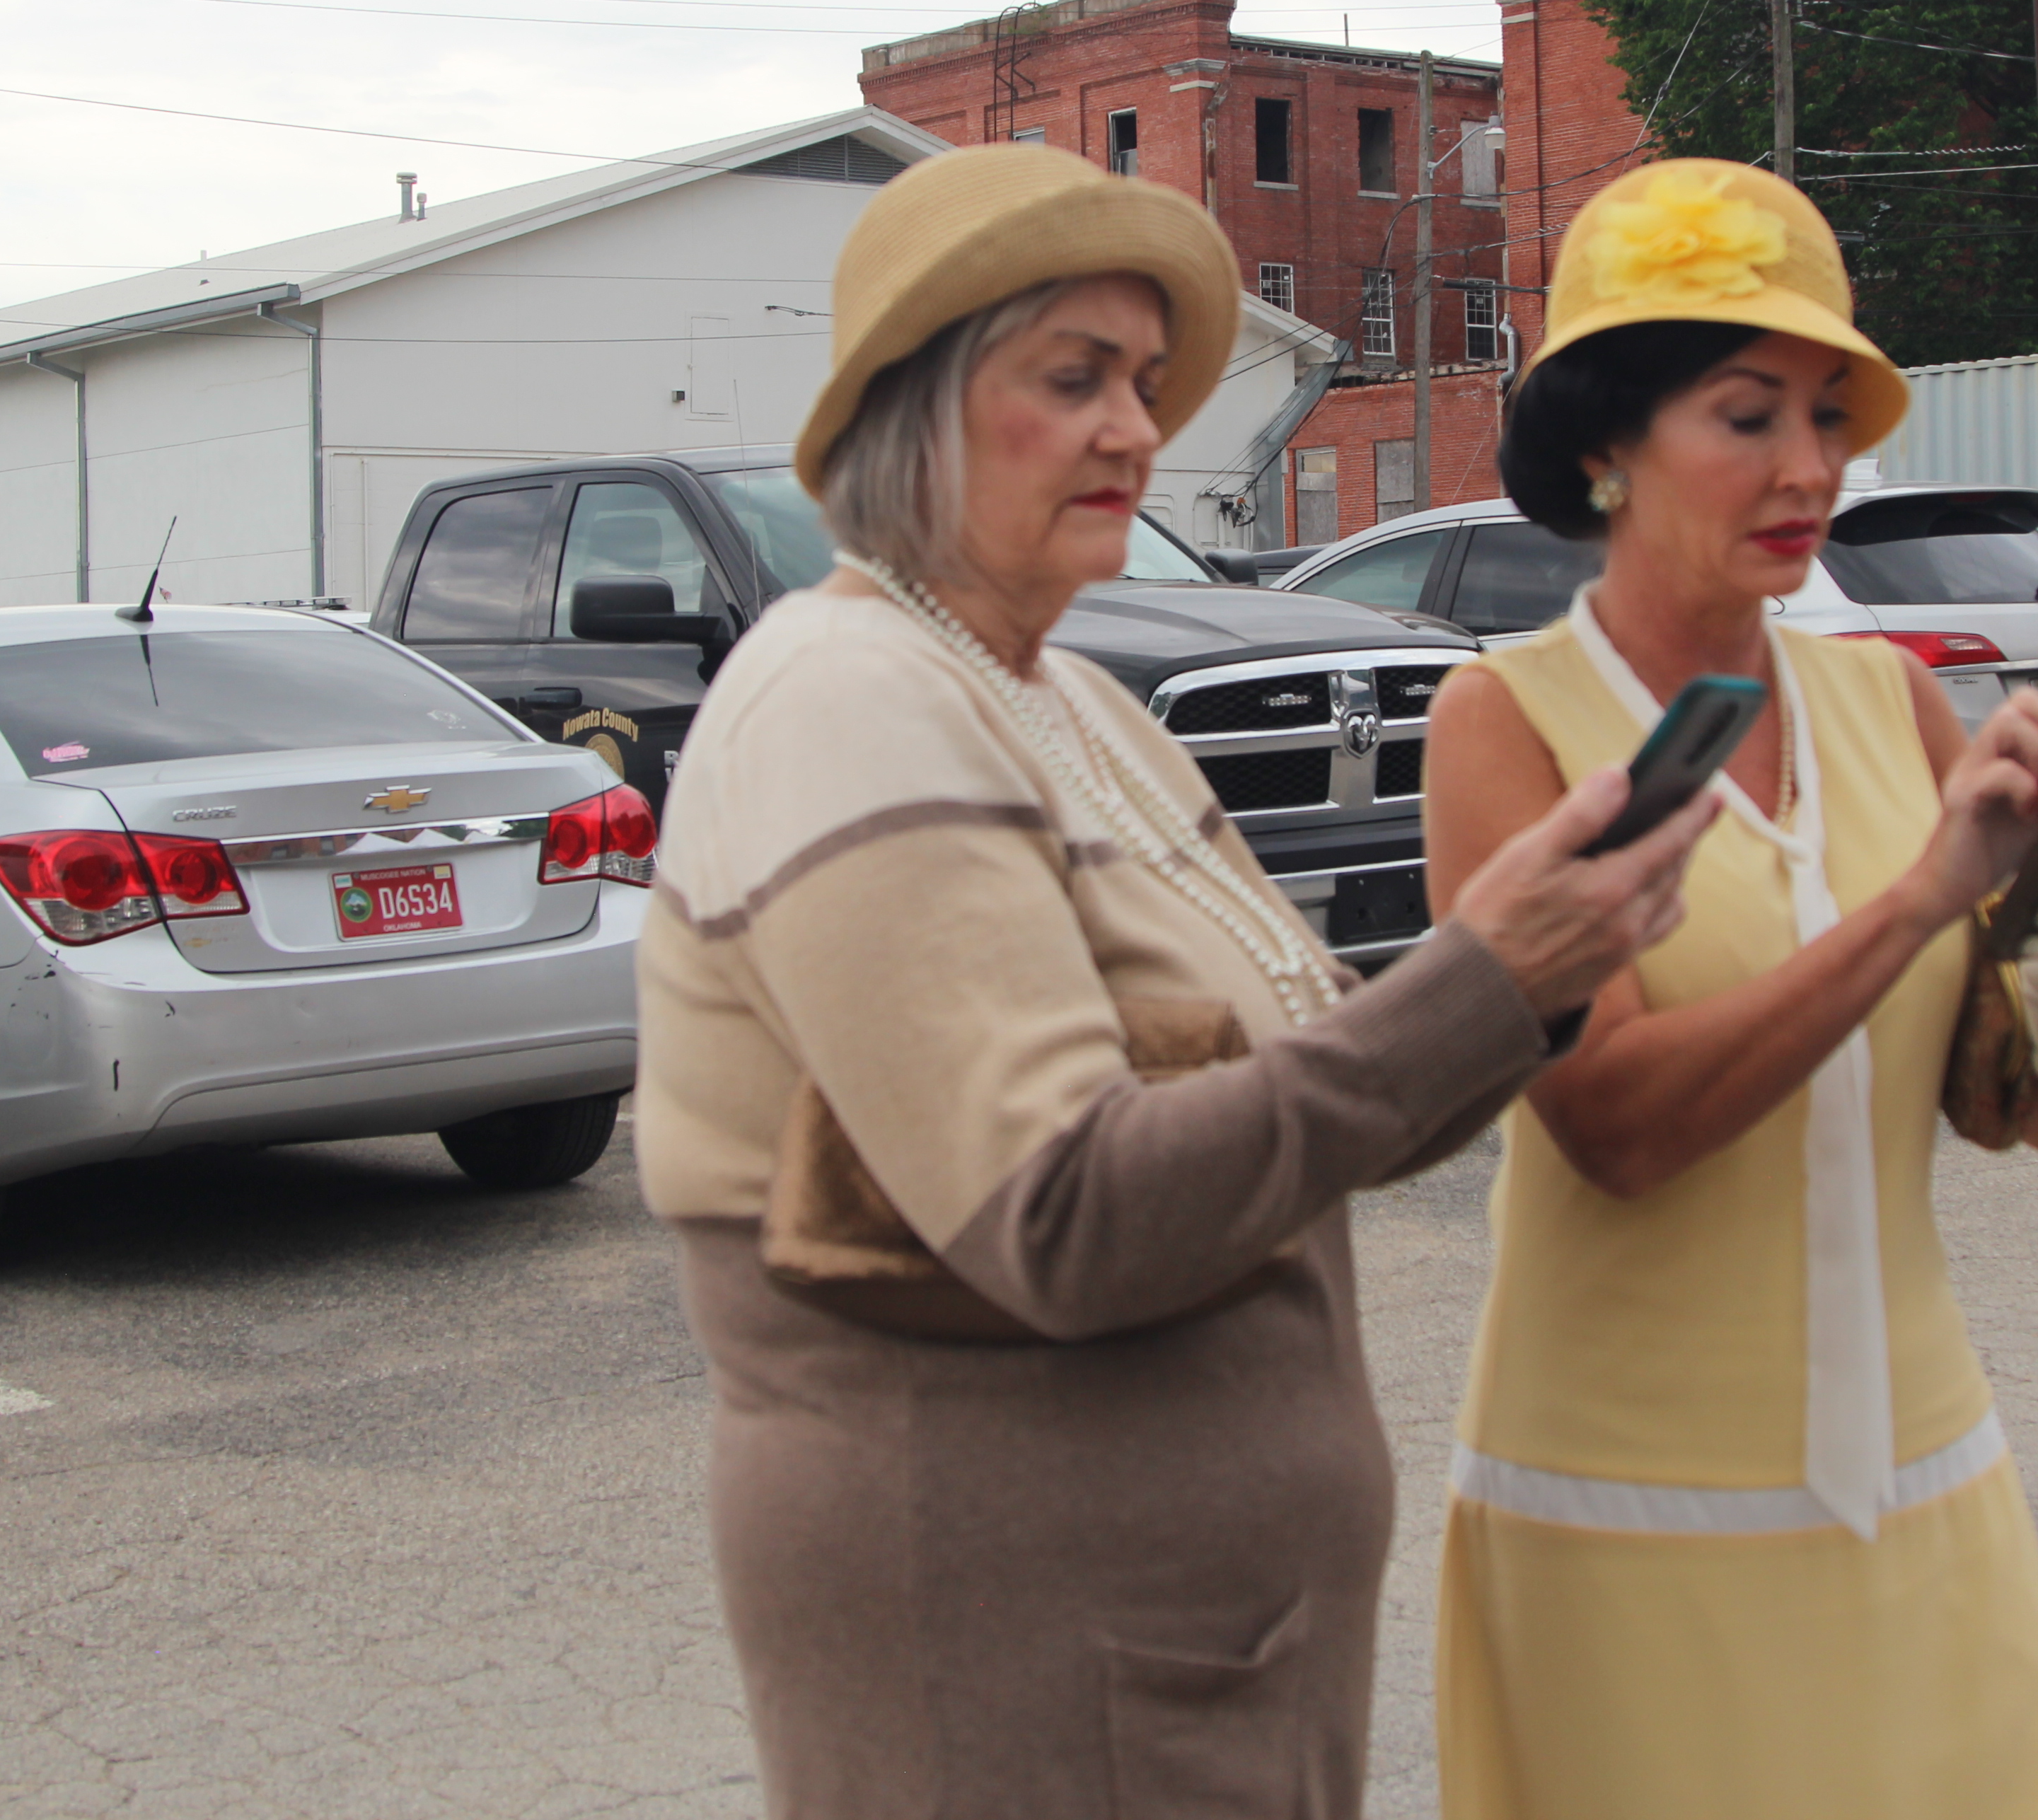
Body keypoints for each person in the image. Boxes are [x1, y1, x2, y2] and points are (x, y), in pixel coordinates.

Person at [634, 141, 1721, 1820]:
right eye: (1071, 379)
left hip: (1187, 1657)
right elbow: (1060, 1215)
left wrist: (1518, 965)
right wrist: (1482, 982)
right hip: (1034, 1673)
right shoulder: (850, 699)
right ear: (912, 413)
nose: (1137, 432)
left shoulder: (1074, 702)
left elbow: (1299, 1097)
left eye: (1143, 384)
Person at [1423, 159, 2038, 1819]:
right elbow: (1612, 1123)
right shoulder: (1507, 720)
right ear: (1606, 441)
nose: (1810, 469)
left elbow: (2016, 1117)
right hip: (1628, 1516)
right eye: (1749, 416)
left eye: (1830, 419)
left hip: (1922, 1483)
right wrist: (1920, 902)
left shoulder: (1894, 698)